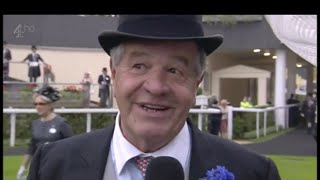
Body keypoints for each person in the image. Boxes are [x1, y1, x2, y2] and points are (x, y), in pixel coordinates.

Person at [27, 15, 280, 180]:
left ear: (197, 83)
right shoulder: (52, 167)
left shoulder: (254, 173)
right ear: (114, 74)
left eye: (175, 70)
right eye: (139, 66)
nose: (157, 87)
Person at [17, 86, 73, 180]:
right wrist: (23, 167)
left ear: (50, 105)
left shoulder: (61, 123)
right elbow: (31, 148)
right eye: (35, 104)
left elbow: (72, 146)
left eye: (41, 104)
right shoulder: (35, 124)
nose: (38, 107)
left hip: (56, 169)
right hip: (38, 167)